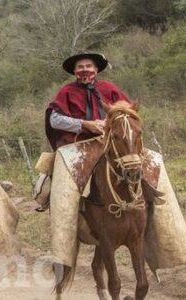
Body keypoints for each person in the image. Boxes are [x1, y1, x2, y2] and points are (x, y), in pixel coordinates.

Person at [35, 53, 131, 211]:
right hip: (76, 145)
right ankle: (61, 212)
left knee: (140, 165)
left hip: (109, 142)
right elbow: (54, 120)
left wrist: (108, 123)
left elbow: (128, 114)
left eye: (88, 66)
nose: (84, 70)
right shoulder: (66, 91)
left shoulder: (109, 88)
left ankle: (150, 203)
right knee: (64, 185)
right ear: (74, 71)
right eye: (80, 67)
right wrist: (84, 124)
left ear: (96, 69)